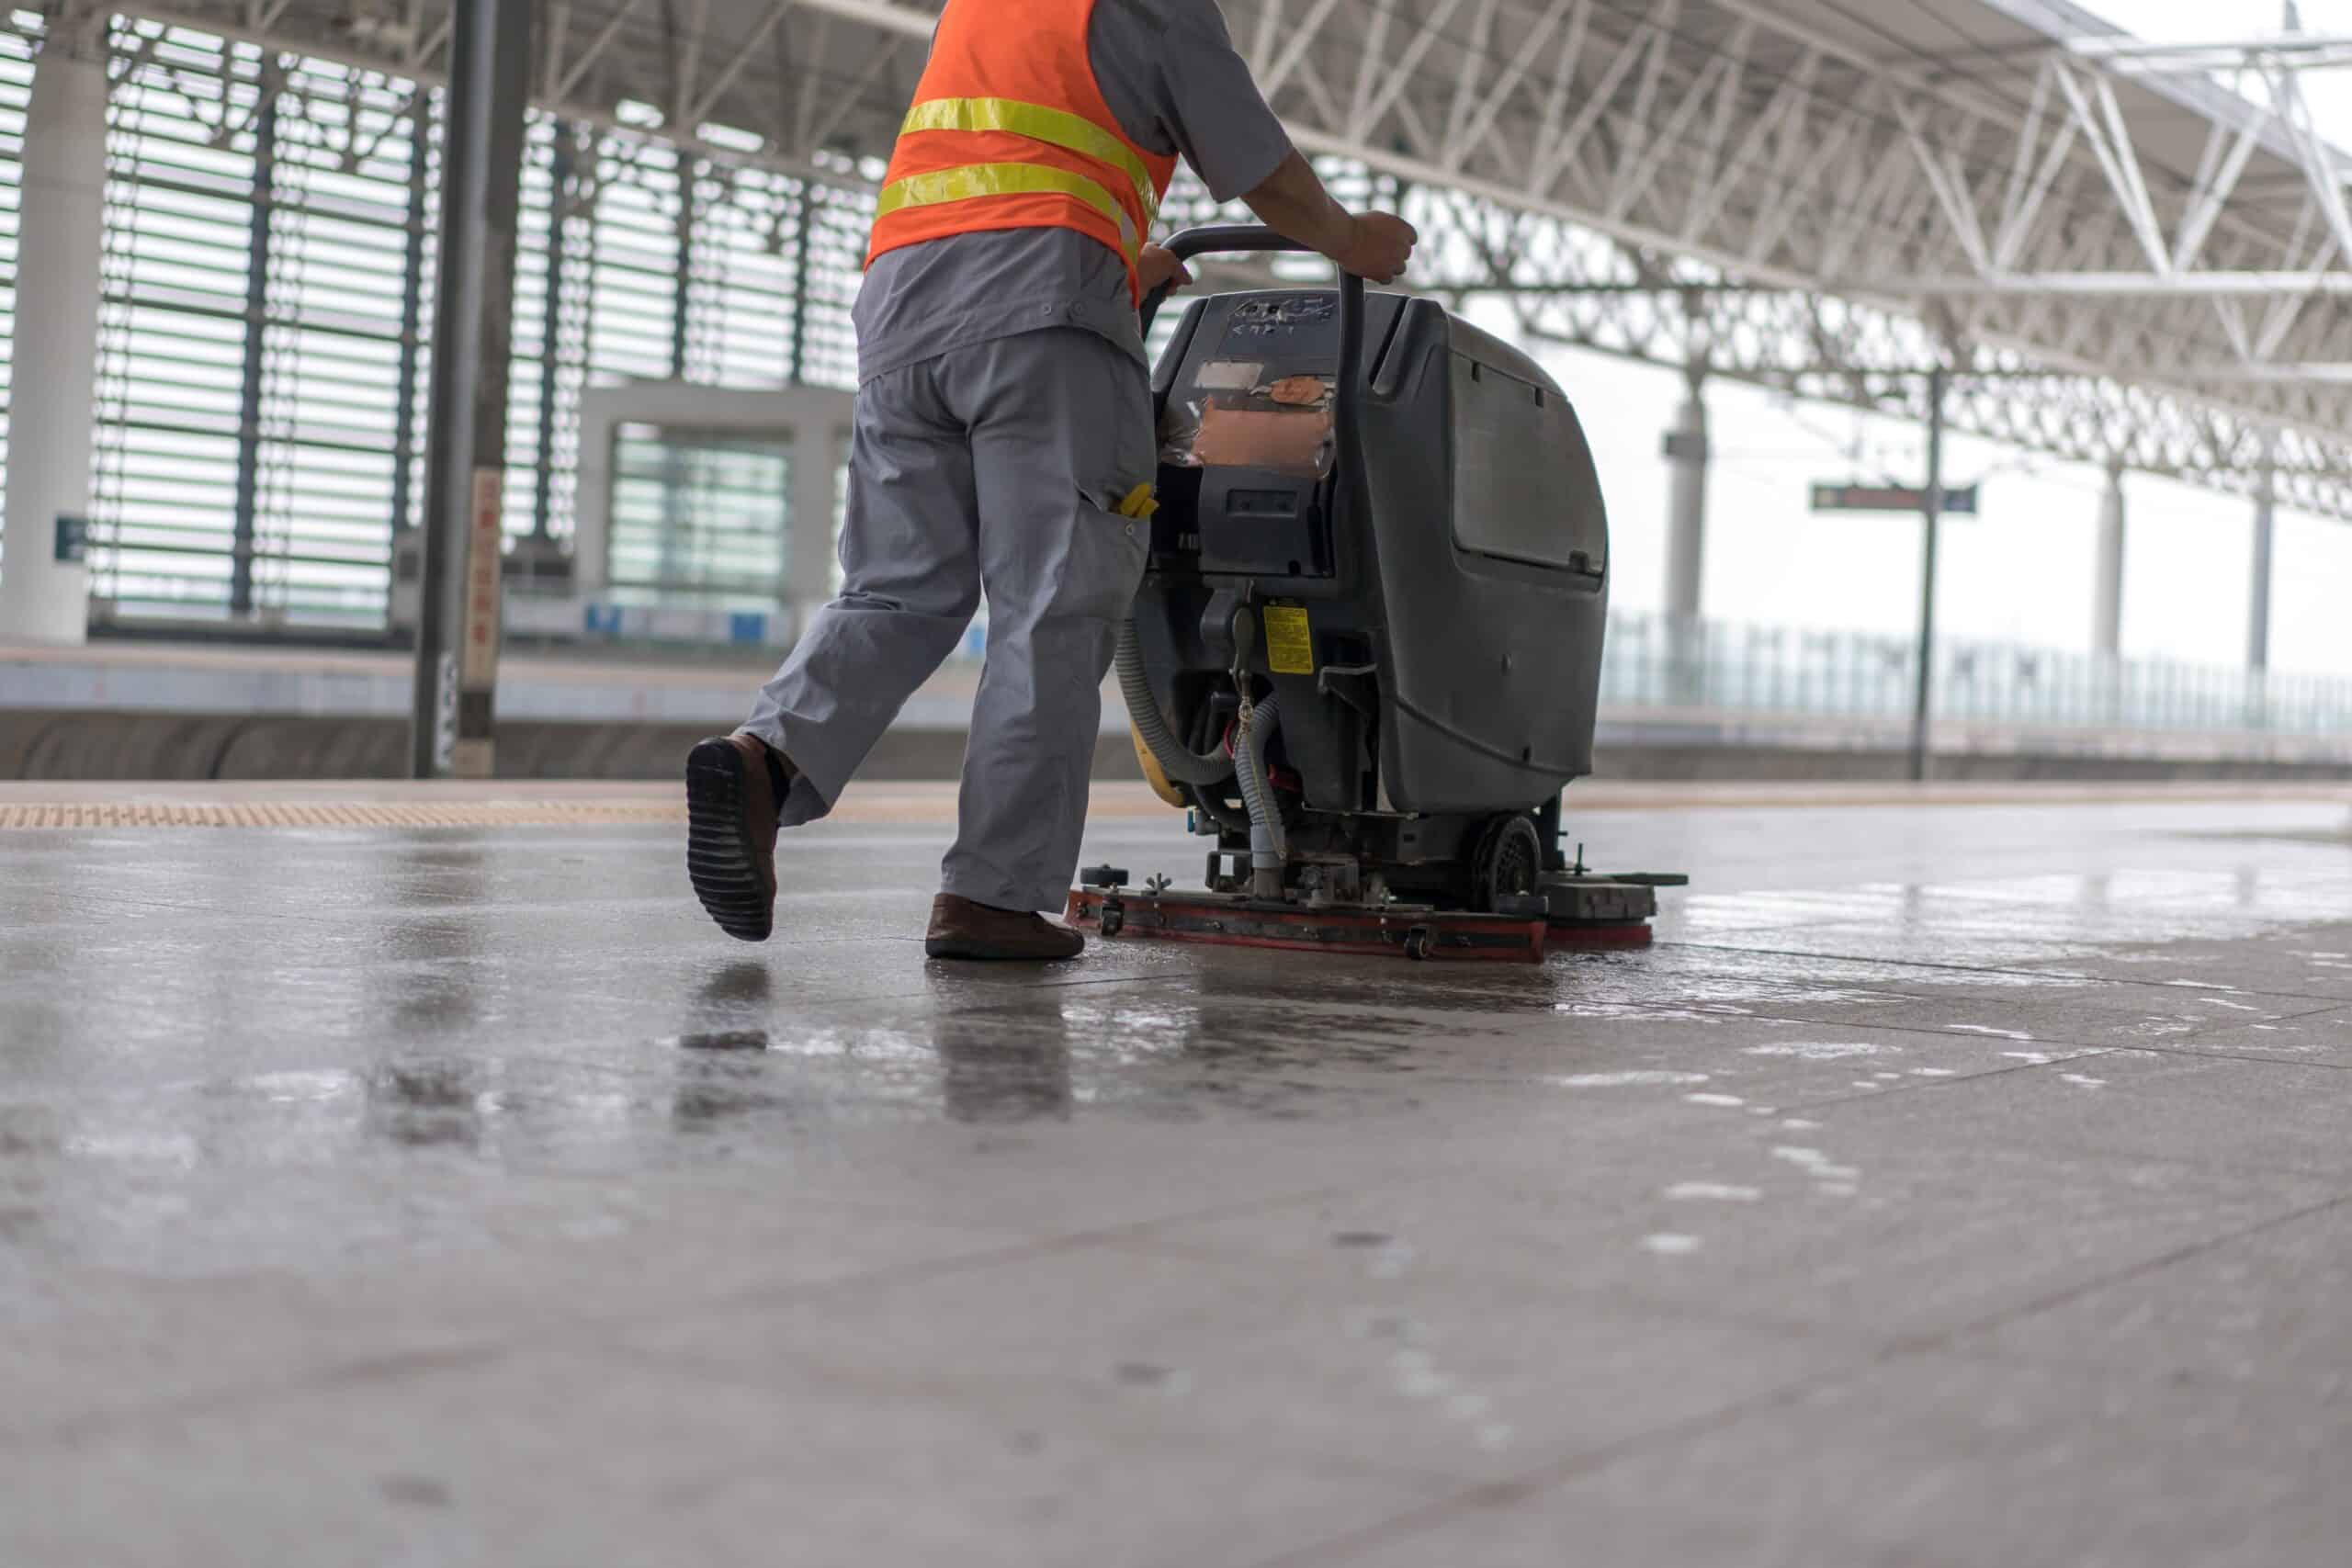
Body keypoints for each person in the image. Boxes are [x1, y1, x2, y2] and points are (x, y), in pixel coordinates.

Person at [684, 0, 1416, 960]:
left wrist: (1120, 257)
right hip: (1042, 315)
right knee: (1051, 607)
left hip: (903, 308)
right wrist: (1349, 241)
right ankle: (989, 896)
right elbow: (1259, 167)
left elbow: (1007, 167)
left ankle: (765, 762)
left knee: (897, 588)